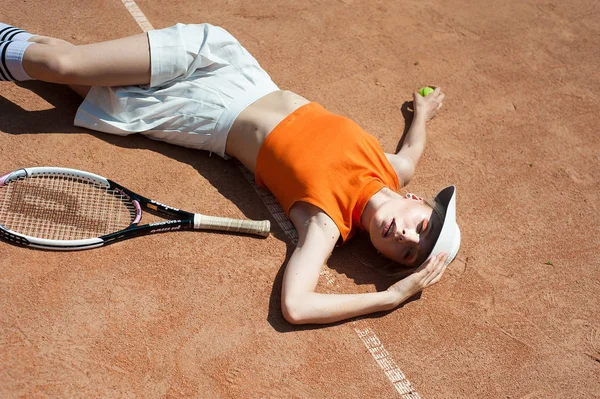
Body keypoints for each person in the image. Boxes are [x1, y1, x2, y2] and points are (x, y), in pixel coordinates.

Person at [0, 22, 461, 324]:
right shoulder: (392, 170)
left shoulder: (326, 223)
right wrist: (421, 113)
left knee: (52, 67)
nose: (403, 236)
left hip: (196, 116)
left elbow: (297, 305)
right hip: (226, 64)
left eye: (404, 253)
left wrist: (391, 297)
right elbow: (412, 154)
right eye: (419, 228)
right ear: (416, 201)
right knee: (66, 61)